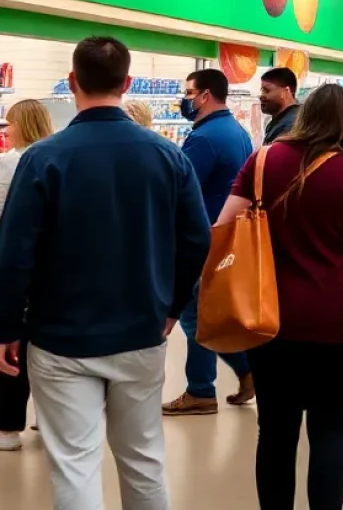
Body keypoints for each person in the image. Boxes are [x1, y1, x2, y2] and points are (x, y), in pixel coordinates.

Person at [0, 36, 210, 508]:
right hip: (142, 330)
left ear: (73, 81)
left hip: (60, 337)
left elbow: (14, 254)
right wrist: (173, 307)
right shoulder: (168, 157)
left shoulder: (43, 159)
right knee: (144, 459)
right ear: (128, 82)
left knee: (74, 464)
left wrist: (8, 326)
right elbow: (197, 240)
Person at [215, 84, 343, 510]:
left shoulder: (261, 162)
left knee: (274, 431)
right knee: (329, 431)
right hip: (334, 324)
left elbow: (222, 229)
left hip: (265, 319)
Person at [164, 68, 255, 416]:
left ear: (205, 96)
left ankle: (201, 390)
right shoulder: (236, 132)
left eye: (189, 93)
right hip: (226, 236)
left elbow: (181, 188)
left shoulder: (203, 139)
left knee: (195, 318)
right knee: (208, 314)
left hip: (201, 238)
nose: (184, 100)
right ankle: (245, 370)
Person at [0, 100, 54, 452]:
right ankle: (49, 421)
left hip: (13, 258)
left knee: (10, 341)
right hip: (53, 266)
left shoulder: (8, 163)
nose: (7, 130)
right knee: (47, 345)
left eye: (9, 124)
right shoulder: (58, 157)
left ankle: (7, 426)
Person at [261, 67, 300, 144]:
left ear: (286, 91)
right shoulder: (282, 120)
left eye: (267, 90)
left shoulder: (291, 125)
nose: (261, 96)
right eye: (262, 90)